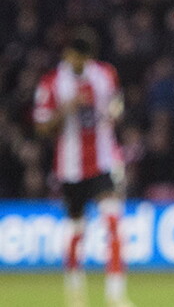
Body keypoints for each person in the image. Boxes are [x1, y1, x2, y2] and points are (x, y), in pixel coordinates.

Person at [34, 28, 133, 307]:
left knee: (113, 223)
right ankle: (75, 294)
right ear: (68, 55)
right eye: (76, 57)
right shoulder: (52, 82)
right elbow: (41, 127)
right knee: (77, 230)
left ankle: (116, 296)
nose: (80, 62)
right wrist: (65, 110)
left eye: (84, 58)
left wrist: (115, 112)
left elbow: (116, 105)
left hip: (102, 162)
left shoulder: (105, 74)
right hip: (70, 168)